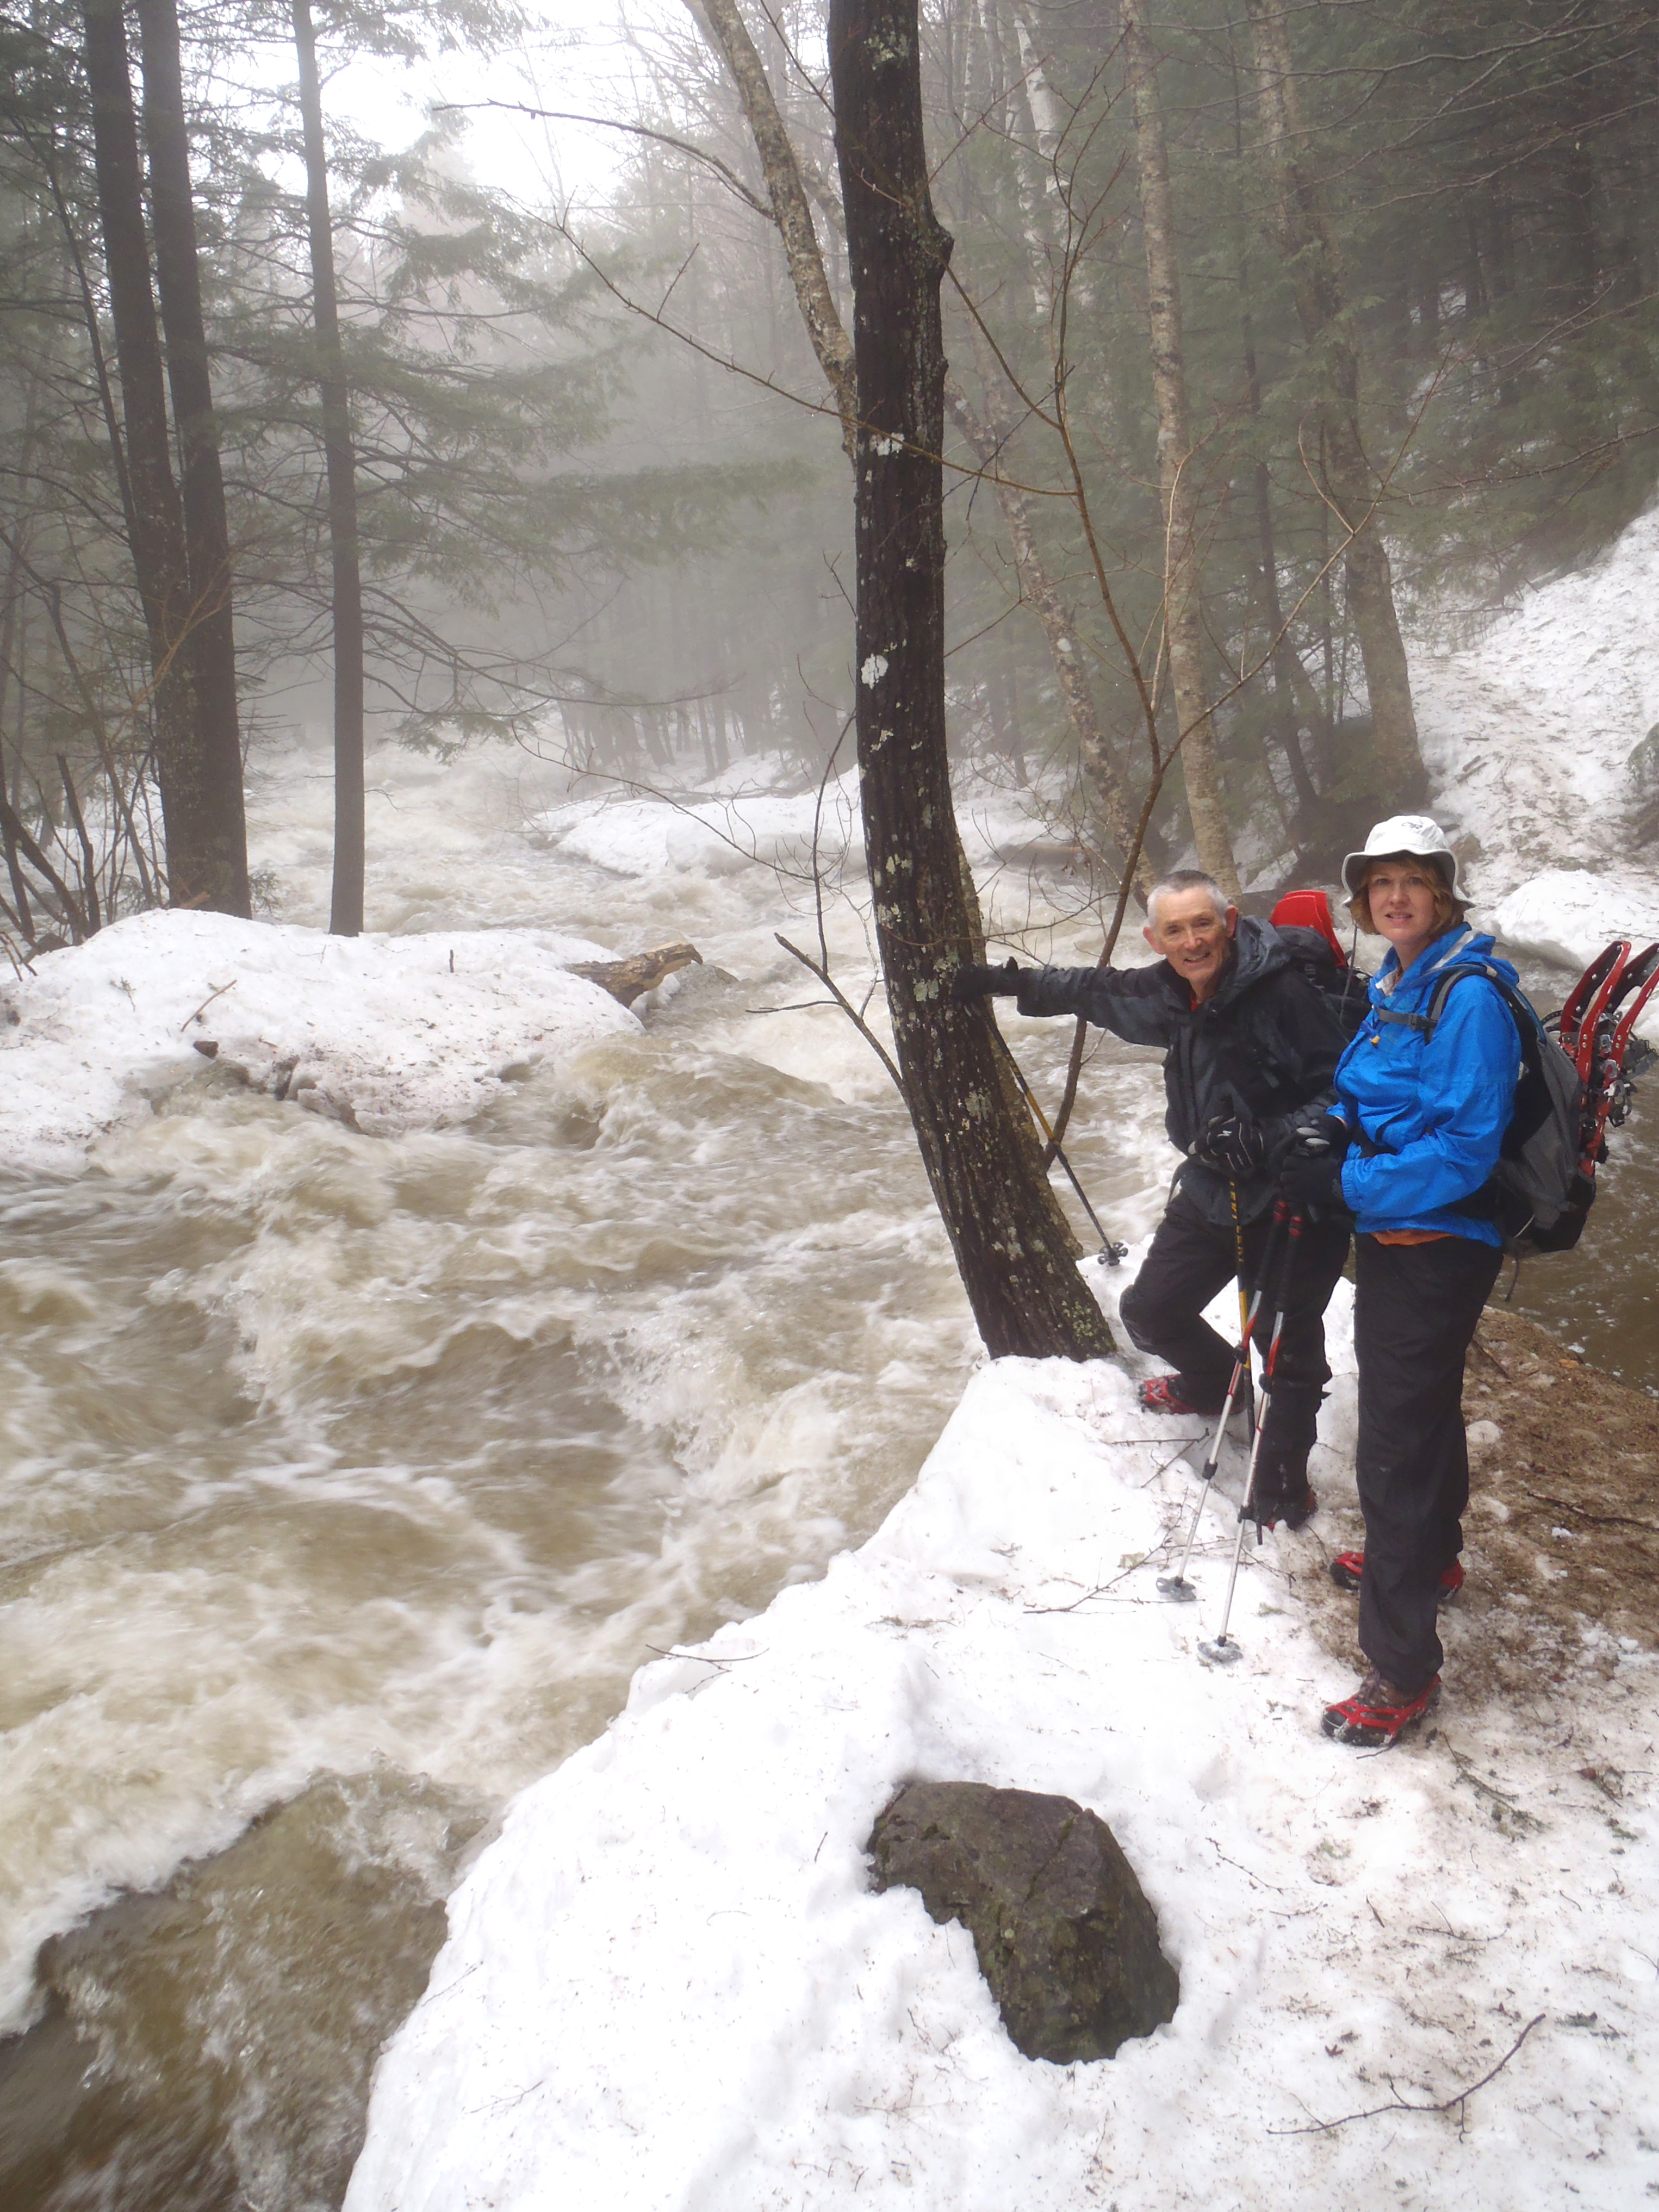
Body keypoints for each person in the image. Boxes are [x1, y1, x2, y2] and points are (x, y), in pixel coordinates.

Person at [952, 870, 1351, 1528]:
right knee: (1151, 1310)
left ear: (1228, 921)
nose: (1192, 941)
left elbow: (1349, 1089)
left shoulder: (1283, 994)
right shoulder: (1171, 993)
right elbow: (1095, 989)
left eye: (1203, 924)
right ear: (1155, 938)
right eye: (1175, 930)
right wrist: (1005, 982)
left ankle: (1282, 1489)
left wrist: (1270, 1137)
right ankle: (1215, 1385)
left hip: (1293, 1197)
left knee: (1286, 1352)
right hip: (1211, 1189)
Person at [1280, 815, 1519, 1749]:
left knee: (1392, 1443)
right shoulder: (1401, 978)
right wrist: (1325, 1131)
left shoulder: (1465, 996)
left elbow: (1463, 1146)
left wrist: (1342, 1182)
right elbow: (1369, 1085)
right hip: (1400, 1229)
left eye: (1413, 881)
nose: (1395, 897)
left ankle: (1401, 1669)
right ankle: (1434, 1560)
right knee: (1421, 1415)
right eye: (1381, 884)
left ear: (1444, 893)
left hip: (1434, 1239)